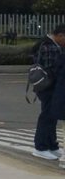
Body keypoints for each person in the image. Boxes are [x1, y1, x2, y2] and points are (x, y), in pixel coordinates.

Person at [31, 25, 65, 160]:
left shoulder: (45, 43)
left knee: (52, 116)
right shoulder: (49, 46)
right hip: (49, 87)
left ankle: (52, 145)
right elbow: (54, 69)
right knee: (47, 116)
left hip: (44, 86)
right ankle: (41, 147)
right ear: (60, 35)